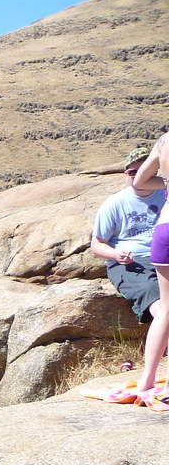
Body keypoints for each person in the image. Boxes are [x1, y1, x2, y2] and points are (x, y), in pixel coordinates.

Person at [90, 147, 165, 330]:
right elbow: (97, 244)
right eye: (133, 172)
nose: (139, 176)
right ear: (126, 174)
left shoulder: (166, 196)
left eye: (144, 171)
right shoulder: (113, 204)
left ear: (154, 173)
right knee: (151, 291)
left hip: (164, 256)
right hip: (131, 262)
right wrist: (116, 255)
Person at [130, 135, 169, 396]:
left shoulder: (164, 141)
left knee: (166, 308)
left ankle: (147, 380)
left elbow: (140, 181)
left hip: (164, 230)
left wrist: (165, 182)